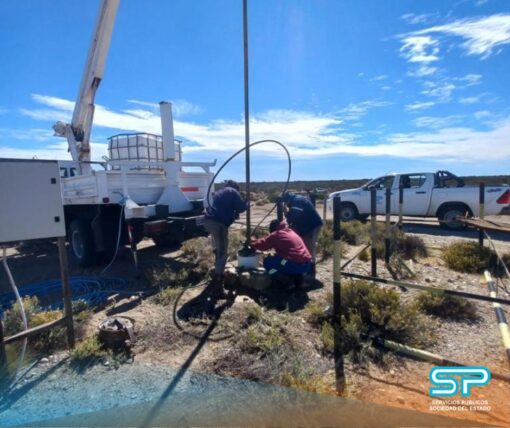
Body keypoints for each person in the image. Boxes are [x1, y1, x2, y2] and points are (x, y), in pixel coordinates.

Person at [204, 180, 247, 297]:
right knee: (222, 253)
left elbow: (226, 207)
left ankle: (217, 268)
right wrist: (247, 202)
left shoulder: (220, 192)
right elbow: (242, 208)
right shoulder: (232, 191)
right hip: (218, 224)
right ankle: (218, 288)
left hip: (209, 221)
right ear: (235, 188)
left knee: (218, 248)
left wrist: (232, 213)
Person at [251, 219, 312, 283]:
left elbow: (263, 245)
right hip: (306, 265)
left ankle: (283, 280)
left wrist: (252, 244)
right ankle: (296, 277)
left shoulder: (276, 234)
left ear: (272, 229)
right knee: (282, 261)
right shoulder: (289, 231)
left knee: (267, 262)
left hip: (295, 265)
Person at [281, 191, 323, 275]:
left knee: (310, 245)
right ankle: (305, 265)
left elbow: (294, 218)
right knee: (305, 244)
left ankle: (311, 268)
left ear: (288, 200)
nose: (286, 204)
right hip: (306, 226)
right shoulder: (297, 200)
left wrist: (286, 213)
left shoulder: (297, 202)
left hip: (312, 226)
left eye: (286, 202)